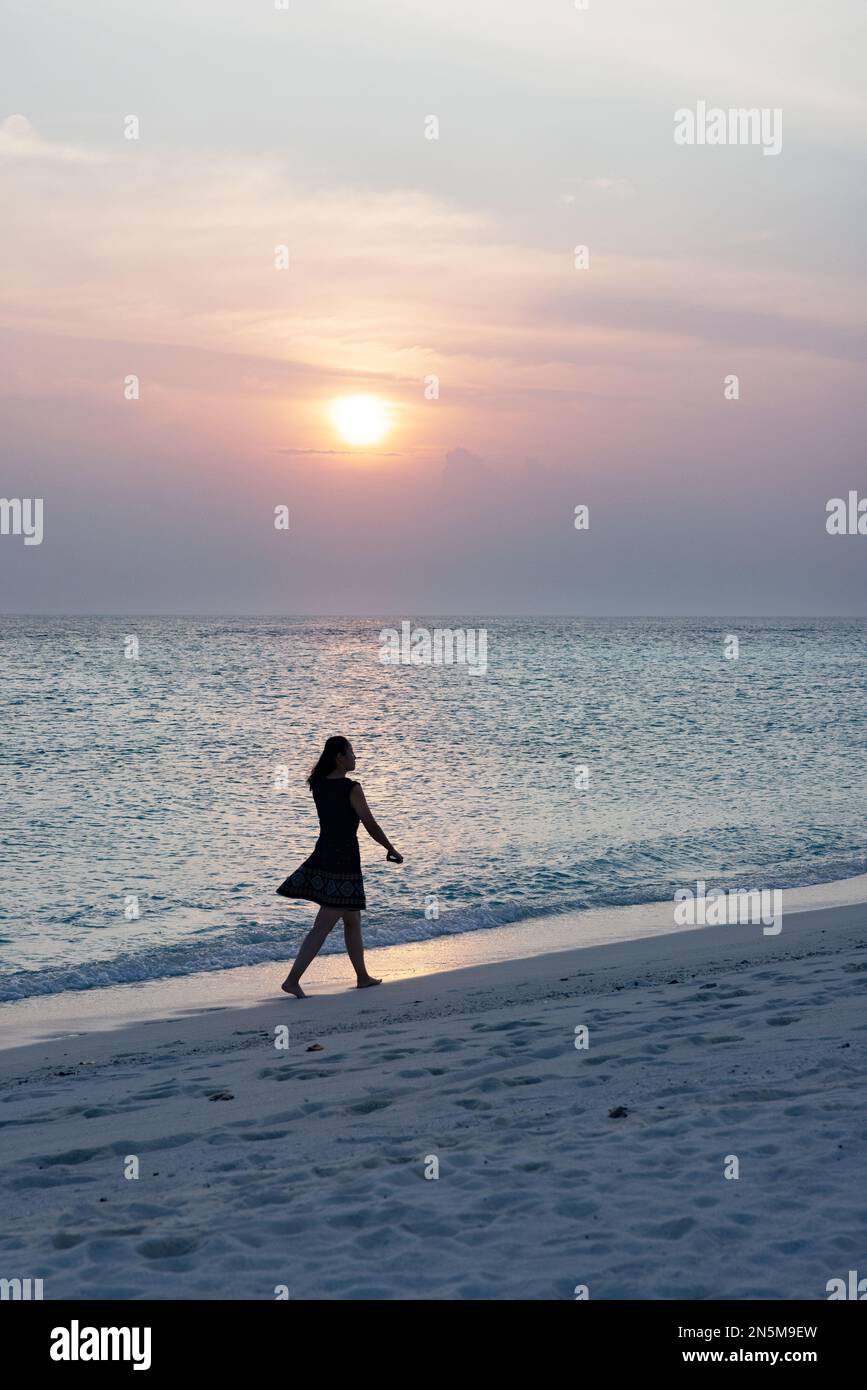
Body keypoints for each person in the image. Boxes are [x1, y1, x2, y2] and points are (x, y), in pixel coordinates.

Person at [276, 736, 402, 998]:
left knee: (352, 919)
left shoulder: (318, 785)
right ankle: (292, 979)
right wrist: (390, 848)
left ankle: (362, 976)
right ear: (339, 758)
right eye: (351, 753)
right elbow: (370, 825)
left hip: (325, 853)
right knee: (322, 926)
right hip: (343, 860)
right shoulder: (351, 788)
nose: (355, 757)